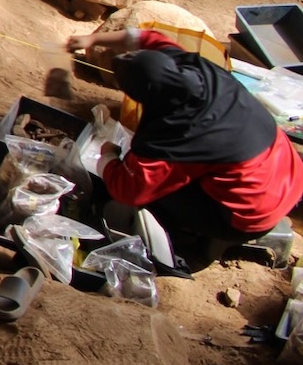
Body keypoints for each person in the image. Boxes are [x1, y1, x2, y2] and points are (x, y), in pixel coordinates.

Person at [67, 26, 303, 267]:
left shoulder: (180, 131)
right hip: (289, 176)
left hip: (248, 216)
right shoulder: (197, 70)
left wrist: (108, 157)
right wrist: (94, 38)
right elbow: (144, 36)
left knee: (156, 192)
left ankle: (187, 235)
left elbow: (129, 189)